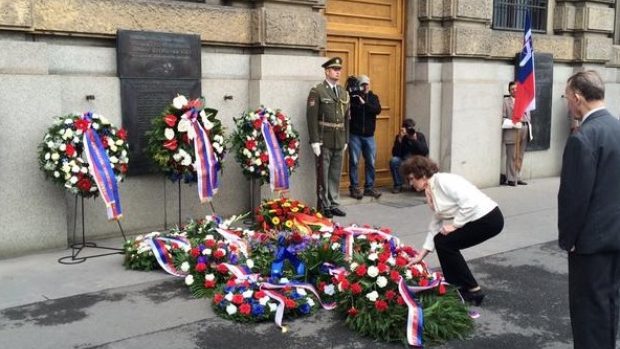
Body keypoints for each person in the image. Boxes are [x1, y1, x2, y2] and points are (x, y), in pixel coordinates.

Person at [557, 70, 620, 349]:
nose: (568, 103)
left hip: (590, 242)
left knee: (588, 313)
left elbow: (574, 198)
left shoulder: (583, 138)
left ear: (578, 97)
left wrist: (568, 240)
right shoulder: (617, 128)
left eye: (567, 97)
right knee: (608, 305)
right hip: (616, 237)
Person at [405, 155, 504, 305]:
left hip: (489, 219)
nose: (410, 183)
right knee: (442, 241)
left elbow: (469, 203)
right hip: (478, 219)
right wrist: (421, 254)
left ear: (423, 175)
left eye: (412, 178)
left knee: (445, 242)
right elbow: (436, 222)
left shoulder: (443, 181)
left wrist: (455, 225)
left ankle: (471, 290)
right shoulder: (430, 189)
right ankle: (459, 287)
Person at [306, 57, 350, 218]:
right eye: (334, 69)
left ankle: (333, 203)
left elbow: (347, 118)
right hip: (324, 139)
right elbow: (311, 117)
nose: (338, 72)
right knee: (323, 173)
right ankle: (324, 204)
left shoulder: (344, 92)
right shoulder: (317, 91)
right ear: (327, 71)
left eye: (339, 69)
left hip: (339, 138)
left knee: (335, 173)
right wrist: (314, 141)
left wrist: (346, 139)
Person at [347, 75, 382, 200]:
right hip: (355, 135)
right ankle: (354, 187)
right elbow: (350, 110)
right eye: (363, 84)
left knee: (371, 162)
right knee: (354, 162)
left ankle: (369, 187)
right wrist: (356, 97)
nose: (365, 86)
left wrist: (365, 103)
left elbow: (377, 110)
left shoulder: (373, 97)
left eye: (367, 83)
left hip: (369, 136)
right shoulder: (354, 97)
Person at [501, 81, 531, 186]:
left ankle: (518, 177)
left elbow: (528, 115)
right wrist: (513, 123)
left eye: (516, 89)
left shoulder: (524, 101)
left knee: (520, 155)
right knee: (512, 155)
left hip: (524, 128)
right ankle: (511, 179)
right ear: (509, 91)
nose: (514, 90)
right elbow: (502, 117)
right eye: (512, 89)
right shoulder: (506, 102)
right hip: (512, 129)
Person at [389, 118, 428, 193]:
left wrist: (415, 140)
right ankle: (398, 185)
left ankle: (416, 185)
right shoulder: (400, 137)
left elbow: (425, 152)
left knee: (421, 163)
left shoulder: (419, 136)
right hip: (404, 160)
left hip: (417, 161)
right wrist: (400, 139)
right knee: (394, 161)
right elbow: (395, 154)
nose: (410, 131)